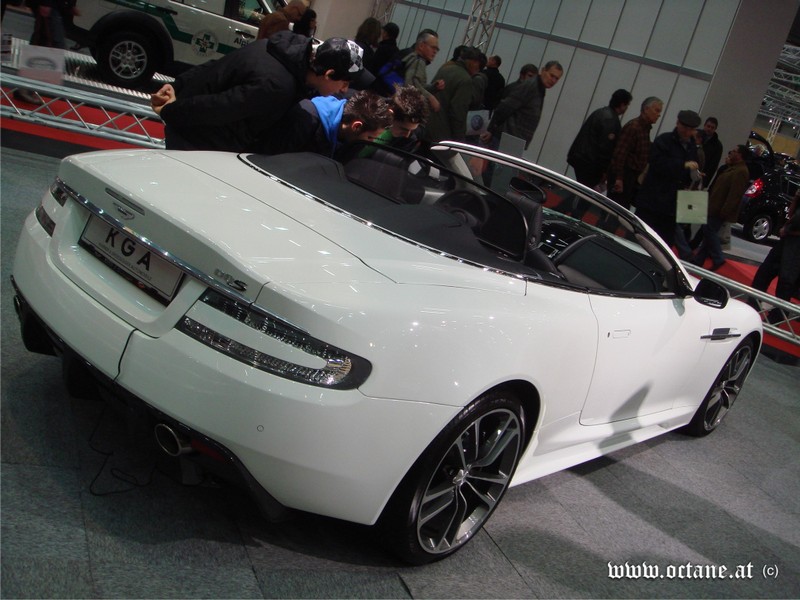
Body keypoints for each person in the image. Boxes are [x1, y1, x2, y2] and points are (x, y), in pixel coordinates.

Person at [150, 34, 372, 153]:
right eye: (344, 83)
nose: (344, 90)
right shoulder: (277, 85)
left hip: (194, 129)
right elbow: (218, 107)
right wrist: (171, 110)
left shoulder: (278, 47)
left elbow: (218, 66)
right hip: (197, 145)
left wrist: (178, 85)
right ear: (329, 74)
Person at [634, 109, 702, 255]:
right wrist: (682, 165)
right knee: (640, 240)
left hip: (672, 206)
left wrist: (694, 174)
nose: (687, 132)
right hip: (652, 201)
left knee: (664, 246)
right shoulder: (664, 140)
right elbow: (656, 163)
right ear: (678, 124)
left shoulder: (692, 147)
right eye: (685, 128)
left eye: (691, 129)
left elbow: (688, 171)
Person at [260, 90, 392, 159]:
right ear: (356, 126)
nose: (371, 142)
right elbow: (271, 157)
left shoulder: (347, 141)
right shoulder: (305, 119)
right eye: (370, 137)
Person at [481, 60, 563, 151]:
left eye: (556, 78)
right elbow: (505, 107)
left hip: (513, 139)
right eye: (551, 75)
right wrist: (491, 129)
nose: (553, 80)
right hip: (507, 138)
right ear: (543, 70)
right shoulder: (531, 86)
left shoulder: (539, 88)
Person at [691, 145, 750, 271]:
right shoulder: (733, 169)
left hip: (720, 209)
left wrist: (725, 210)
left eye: (734, 151)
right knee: (708, 233)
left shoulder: (741, 172)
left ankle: (718, 257)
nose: (731, 152)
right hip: (716, 206)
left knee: (709, 231)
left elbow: (735, 194)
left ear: (740, 155)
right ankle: (699, 259)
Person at [566, 88, 632, 189]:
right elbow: (605, 148)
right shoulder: (611, 121)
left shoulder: (600, 112)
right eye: (627, 105)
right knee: (586, 192)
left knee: (581, 189)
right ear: (622, 104)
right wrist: (604, 171)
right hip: (590, 164)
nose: (627, 108)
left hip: (581, 157)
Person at [751, 191, 800, 322]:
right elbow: (792, 214)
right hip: (789, 243)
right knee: (774, 280)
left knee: (782, 283)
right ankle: (762, 312)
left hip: (793, 245)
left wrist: (787, 230)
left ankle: (773, 317)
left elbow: (796, 219)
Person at [607, 96, 663, 209]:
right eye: (657, 110)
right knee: (615, 210)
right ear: (646, 109)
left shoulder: (644, 129)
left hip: (631, 177)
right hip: (624, 175)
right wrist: (619, 178)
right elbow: (620, 154)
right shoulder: (634, 127)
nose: (659, 115)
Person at [422, 46, 482, 145]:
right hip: (442, 133)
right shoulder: (465, 80)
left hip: (426, 124)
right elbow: (458, 112)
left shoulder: (446, 68)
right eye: (478, 64)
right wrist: (459, 140)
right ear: (473, 62)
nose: (478, 68)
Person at [372, 84, 429, 152]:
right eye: (403, 129)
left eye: (411, 130)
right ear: (390, 114)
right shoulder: (365, 112)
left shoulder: (408, 140)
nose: (406, 135)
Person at [402, 30, 445, 113]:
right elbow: (411, 85)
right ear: (421, 46)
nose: (435, 52)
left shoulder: (411, 57)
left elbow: (418, 84)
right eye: (433, 47)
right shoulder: (418, 61)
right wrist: (431, 98)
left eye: (437, 49)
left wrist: (433, 87)